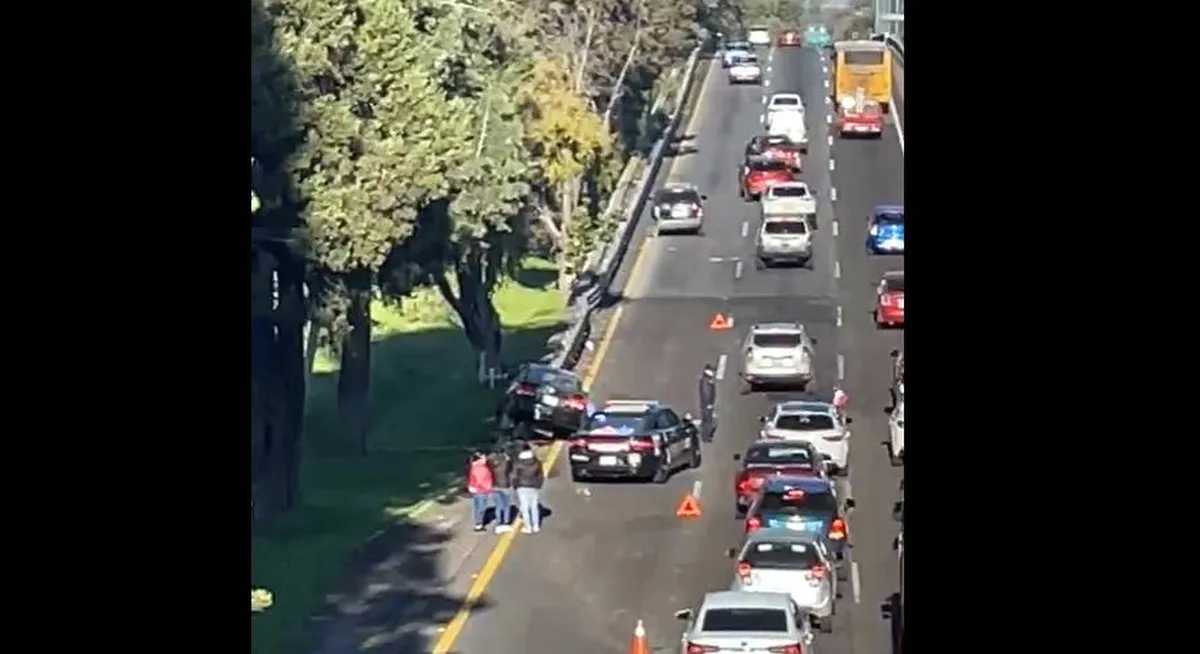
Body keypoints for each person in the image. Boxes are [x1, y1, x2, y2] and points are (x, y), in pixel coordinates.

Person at [512, 443, 546, 533]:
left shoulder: (518, 463)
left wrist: (515, 486)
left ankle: (528, 527)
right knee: (534, 507)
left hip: (521, 486)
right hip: (533, 486)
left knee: (525, 507)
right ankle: (536, 526)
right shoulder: (537, 462)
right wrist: (539, 485)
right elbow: (541, 476)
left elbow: (514, 476)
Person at [467, 451, 495, 532]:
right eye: (483, 458)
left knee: (477, 506)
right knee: (481, 507)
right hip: (481, 490)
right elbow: (482, 480)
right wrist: (488, 489)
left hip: (475, 490)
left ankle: (477, 522)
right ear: (479, 459)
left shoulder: (474, 466)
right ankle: (479, 523)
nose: (485, 459)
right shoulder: (481, 468)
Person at [487, 446, 514, 533]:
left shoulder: (490, 462)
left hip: (494, 486)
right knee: (506, 506)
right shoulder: (505, 462)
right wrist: (508, 459)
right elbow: (510, 469)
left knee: (498, 506)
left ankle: (499, 522)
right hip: (504, 485)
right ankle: (506, 522)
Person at [698, 363, 716, 442]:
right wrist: (709, 404)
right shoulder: (706, 381)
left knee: (707, 421)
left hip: (706, 405)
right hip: (706, 405)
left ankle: (706, 436)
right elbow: (706, 393)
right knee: (708, 422)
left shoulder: (707, 379)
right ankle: (706, 437)